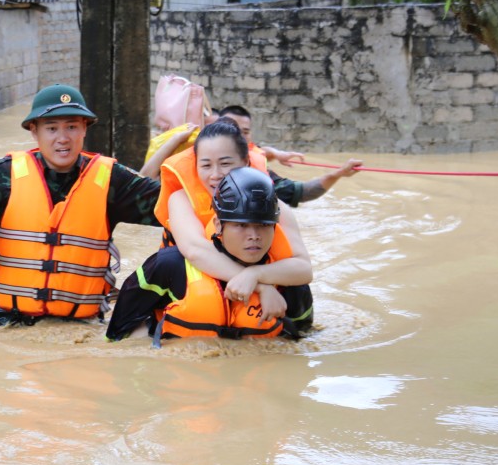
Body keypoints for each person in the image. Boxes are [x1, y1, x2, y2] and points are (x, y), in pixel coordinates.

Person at [0, 84, 162, 326]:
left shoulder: (112, 180)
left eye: (72, 127)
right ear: (34, 131)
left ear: (84, 129)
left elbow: (172, 207)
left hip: (80, 326)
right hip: (7, 322)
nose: (63, 138)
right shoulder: (3, 175)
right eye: (51, 129)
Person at [106, 167, 311, 345]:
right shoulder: (168, 267)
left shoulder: (289, 284)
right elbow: (117, 334)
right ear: (219, 225)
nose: (254, 236)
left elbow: (302, 342)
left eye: (263, 225)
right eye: (241, 225)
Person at [153, 119, 314, 327]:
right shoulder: (181, 199)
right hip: (195, 293)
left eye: (226, 163)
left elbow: (303, 269)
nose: (215, 175)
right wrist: (262, 287)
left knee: (297, 289)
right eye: (206, 165)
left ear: (246, 162)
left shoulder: (274, 204)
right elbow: (194, 250)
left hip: (252, 291)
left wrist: (256, 274)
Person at [218, 105, 363, 207]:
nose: (239, 136)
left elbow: (302, 193)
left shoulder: (257, 174)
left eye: (245, 132)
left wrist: (338, 174)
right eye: (232, 129)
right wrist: (274, 153)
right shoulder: (199, 155)